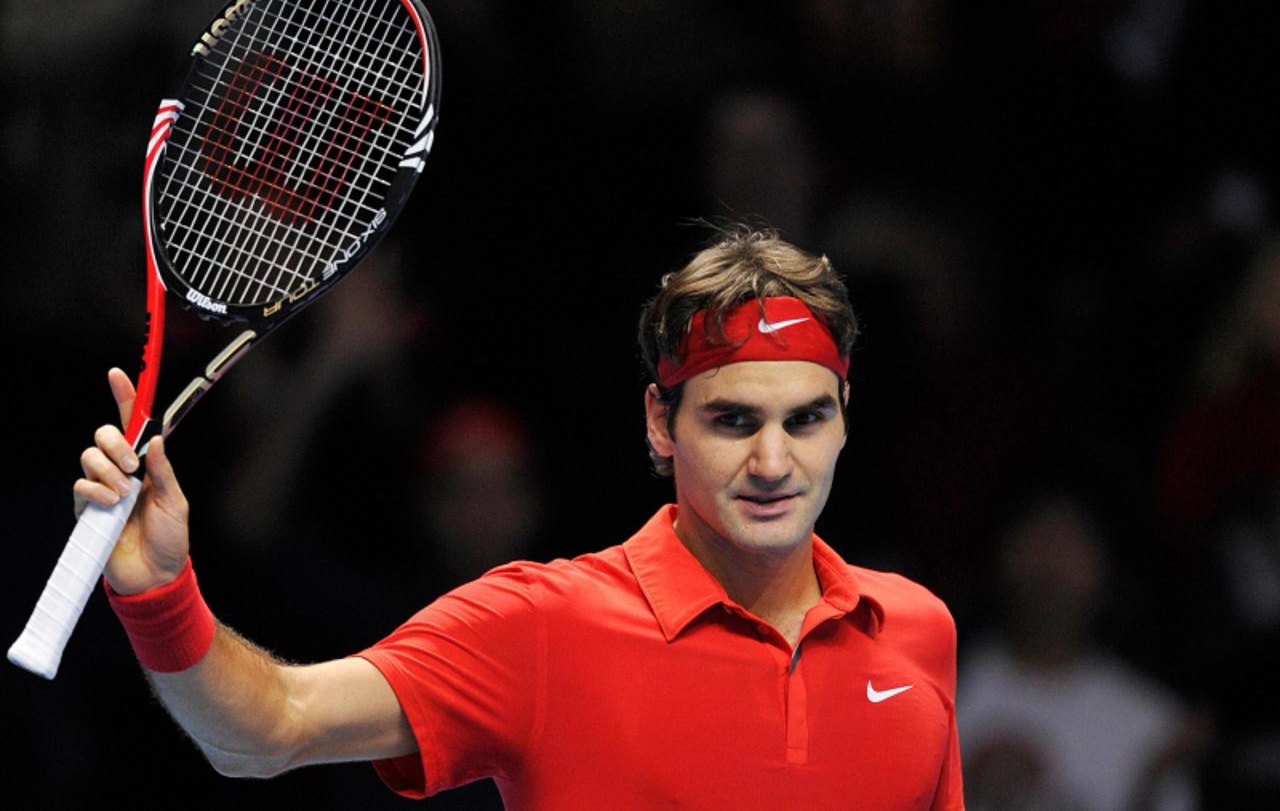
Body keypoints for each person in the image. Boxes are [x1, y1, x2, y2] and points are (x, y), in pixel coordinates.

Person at [77, 224, 964, 808]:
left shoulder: (918, 631)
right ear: (661, 422)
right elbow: (267, 729)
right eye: (732, 420)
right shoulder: (540, 623)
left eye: (805, 418)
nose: (773, 463)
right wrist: (161, 593)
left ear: (846, 412)